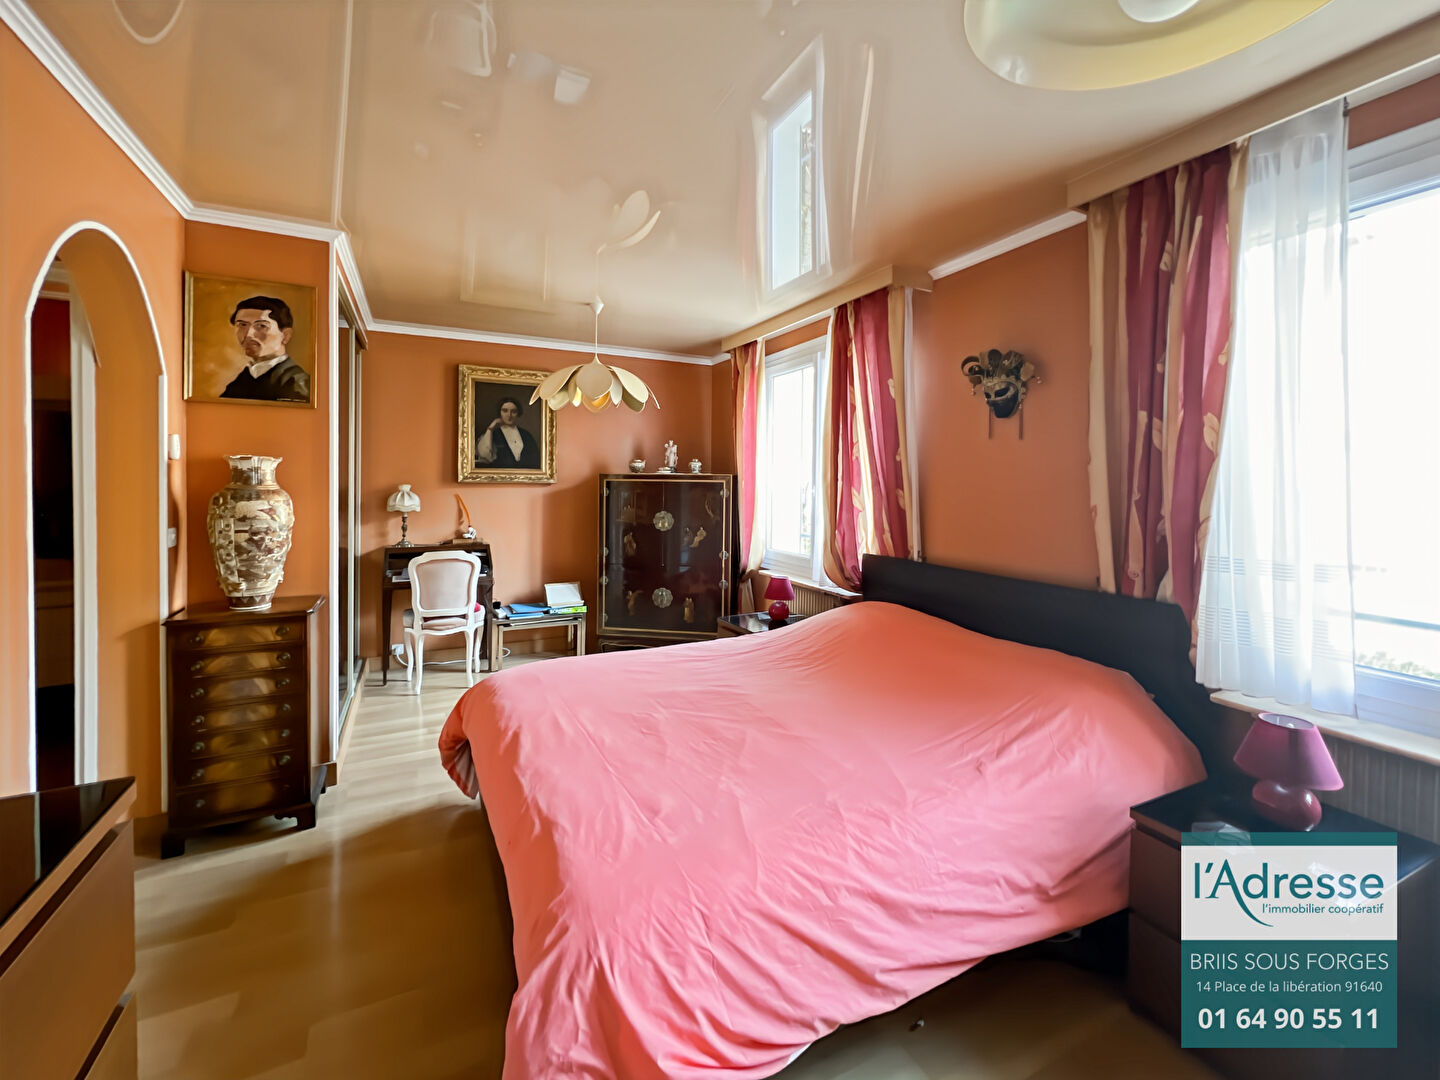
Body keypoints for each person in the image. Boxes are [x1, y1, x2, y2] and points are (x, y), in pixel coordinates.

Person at [220, 296, 310, 403]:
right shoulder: (237, 384)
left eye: (261, 326)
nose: (248, 334)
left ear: (285, 335)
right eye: (242, 325)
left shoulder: (297, 384)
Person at [475, 396, 541, 469]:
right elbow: (484, 455)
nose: (509, 415)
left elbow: (536, 459)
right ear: (500, 412)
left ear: (518, 413)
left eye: (513, 411)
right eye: (505, 411)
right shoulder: (493, 434)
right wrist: (490, 428)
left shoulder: (526, 435)